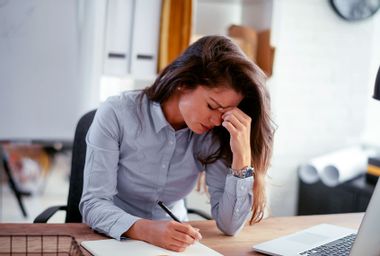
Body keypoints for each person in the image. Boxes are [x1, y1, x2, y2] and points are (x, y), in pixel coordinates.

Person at [79, 35, 274, 252]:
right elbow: (93, 205)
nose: (217, 120)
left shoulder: (214, 134)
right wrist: (146, 230)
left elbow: (230, 227)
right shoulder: (117, 113)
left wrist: (242, 158)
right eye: (212, 106)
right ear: (183, 83)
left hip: (174, 246)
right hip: (113, 239)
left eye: (225, 113)